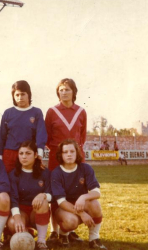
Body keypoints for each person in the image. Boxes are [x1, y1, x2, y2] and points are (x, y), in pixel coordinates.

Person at [45, 78, 87, 243]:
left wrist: (74, 153)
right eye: (61, 90)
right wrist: (59, 152)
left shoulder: (81, 111)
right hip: (56, 158)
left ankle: (68, 230)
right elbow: (47, 137)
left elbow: (81, 137)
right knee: (56, 193)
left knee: (76, 192)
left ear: (74, 92)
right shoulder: (52, 111)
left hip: (76, 158)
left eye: (67, 89)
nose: (64, 92)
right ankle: (54, 230)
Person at [51, 139, 106, 249]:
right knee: (71, 221)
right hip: (63, 209)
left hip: (81, 204)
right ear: (60, 155)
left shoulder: (85, 168)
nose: (69, 154)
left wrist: (83, 197)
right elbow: (61, 202)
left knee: (95, 204)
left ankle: (94, 238)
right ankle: (63, 234)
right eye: (65, 152)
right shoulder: (56, 173)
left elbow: (97, 192)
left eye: (72, 151)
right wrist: (82, 214)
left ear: (77, 153)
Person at [7, 141, 51, 249]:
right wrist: (17, 217)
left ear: (36, 155)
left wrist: (43, 195)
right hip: (21, 212)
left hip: (36, 211)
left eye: (28, 153)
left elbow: (52, 193)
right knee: (13, 224)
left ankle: (41, 241)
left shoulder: (45, 172)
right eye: (21, 153)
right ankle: (26, 231)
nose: (24, 156)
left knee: (44, 201)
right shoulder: (13, 174)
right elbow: (13, 198)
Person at [0, 80, 47, 173]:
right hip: (10, 154)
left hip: (28, 154)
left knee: (27, 181)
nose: (20, 97)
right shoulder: (8, 113)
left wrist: (39, 154)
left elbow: (41, 134)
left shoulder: (36, 112)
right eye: (17, 95)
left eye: (23, 94)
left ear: (29, 95)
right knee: (8, 182)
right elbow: (1, 137)